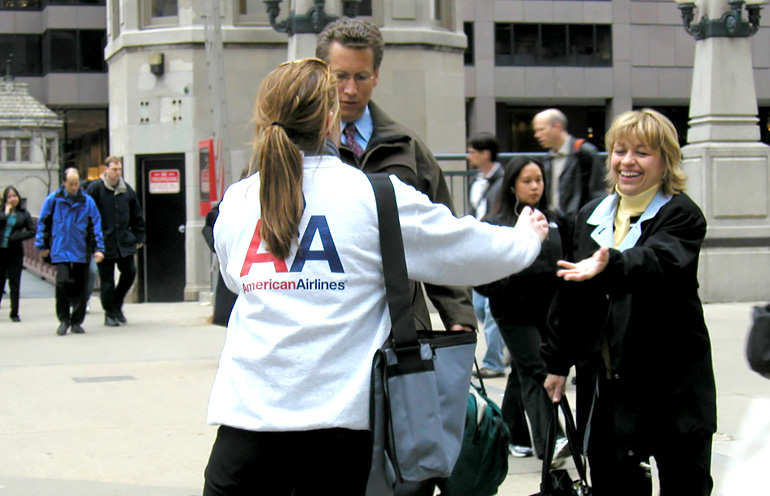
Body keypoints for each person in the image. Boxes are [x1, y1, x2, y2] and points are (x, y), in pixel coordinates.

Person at [201, 58, 549, 496]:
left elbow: (236, 282)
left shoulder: (238, 200)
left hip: (244, 430)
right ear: (330, 117)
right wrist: (526, 238)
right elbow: (467, 251)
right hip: (341, 433)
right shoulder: (373, 196)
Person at [542, 109, 717, 496]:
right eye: (620, 151)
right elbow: (569, 296)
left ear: (666, 161)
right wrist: (556, 361)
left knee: (685, 486)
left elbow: (659, 261)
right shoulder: (591, 216)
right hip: (608, 388)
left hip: (671, 388)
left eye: (642, 152)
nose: (627, 162)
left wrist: (613, 261)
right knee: (613, 485)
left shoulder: (682, 215)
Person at [316, 18, 476, 334]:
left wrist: (459, 318)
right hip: (323, 323)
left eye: (361, 77)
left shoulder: (407, 147)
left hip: (399, 325)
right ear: (322, 73)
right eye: (340, 77)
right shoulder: (290, 149)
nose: (350, 89)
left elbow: (440, 235)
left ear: (376, 76)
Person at [475, 156, 571, 461]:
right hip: (513, 312)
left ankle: (511, 434)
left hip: (548, 311)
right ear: (513, 185)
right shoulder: (496, 222)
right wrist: (500, 291)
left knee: (521, 370)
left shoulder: (555, 218)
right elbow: (482, 270)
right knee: (536, 370)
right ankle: (552, 439)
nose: (534, 187)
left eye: (539, 180)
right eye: (527, 181)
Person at [36, 168, 105, 336]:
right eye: (71, 184)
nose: (74, 188)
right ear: (64, 183)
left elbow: (96, 225)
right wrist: (42, 246)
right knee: (63, 282)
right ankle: (64, 319)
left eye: (77, 184)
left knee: (81, 286)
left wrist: (98, 249)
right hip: (60, 248)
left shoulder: (87, 202)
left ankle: (77, 321)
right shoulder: (53, 200)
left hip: (80, 249)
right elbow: (43, 222)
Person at [86, 156, 146, 327]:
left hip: (124, 242)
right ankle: (110, 313)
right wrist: (92, 240)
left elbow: (137, 214)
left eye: (119, 169)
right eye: (114, 169)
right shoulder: (96, 189)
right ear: (105, 169)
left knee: (129, 273)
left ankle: (116, 304)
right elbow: (88, 214)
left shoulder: (126, 190)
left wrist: (139, 236)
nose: (117, 173)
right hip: (103, 242)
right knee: (106, 281)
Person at [466, 132, 507, 378]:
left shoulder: (504, 181)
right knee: (479, 305)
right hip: (481, 247)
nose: (469, 156)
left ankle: (493, 362)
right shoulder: (478, 181)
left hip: (496, 247)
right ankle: (506, 347)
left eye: (472, 151)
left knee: (493, 308)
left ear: (486, 154)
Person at [533, 108, 606, 219]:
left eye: (541, 129)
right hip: (555, 225)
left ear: (557, 127)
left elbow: (599, 192)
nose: (537, 135)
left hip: (579, 224)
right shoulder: (548, 159)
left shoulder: (584, 153)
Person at [0, 186, 37, 322]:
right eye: (9, 197)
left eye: (14, 196)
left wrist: (19, 236)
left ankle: (14, 312)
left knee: (15, 282)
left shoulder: (23, 213)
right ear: (5, 199)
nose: (12, 199)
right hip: (1, 251)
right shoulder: (2, 212)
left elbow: (32, 230)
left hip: (15, 251)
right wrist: (5, 213)